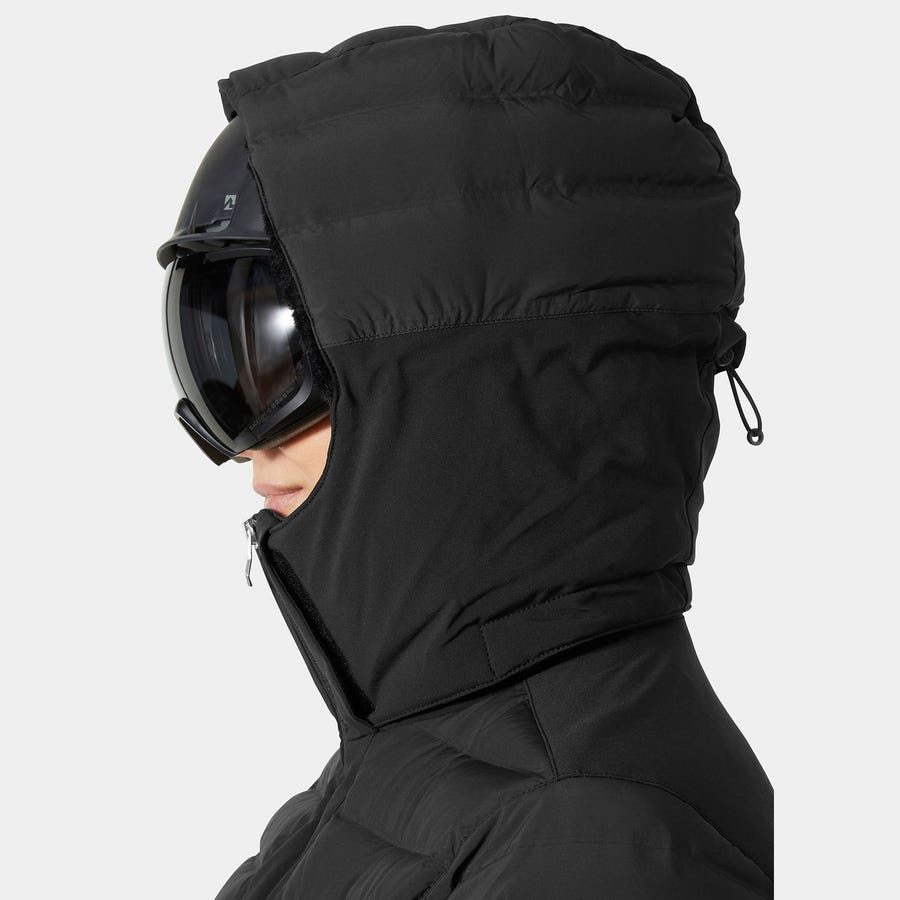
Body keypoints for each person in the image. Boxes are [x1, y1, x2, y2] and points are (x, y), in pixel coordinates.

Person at [157, 14, 773, 898]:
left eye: (284, 375)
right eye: (223, 368)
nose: (251, 455)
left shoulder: (597, 843)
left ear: (478, 407)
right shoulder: (411, 759)